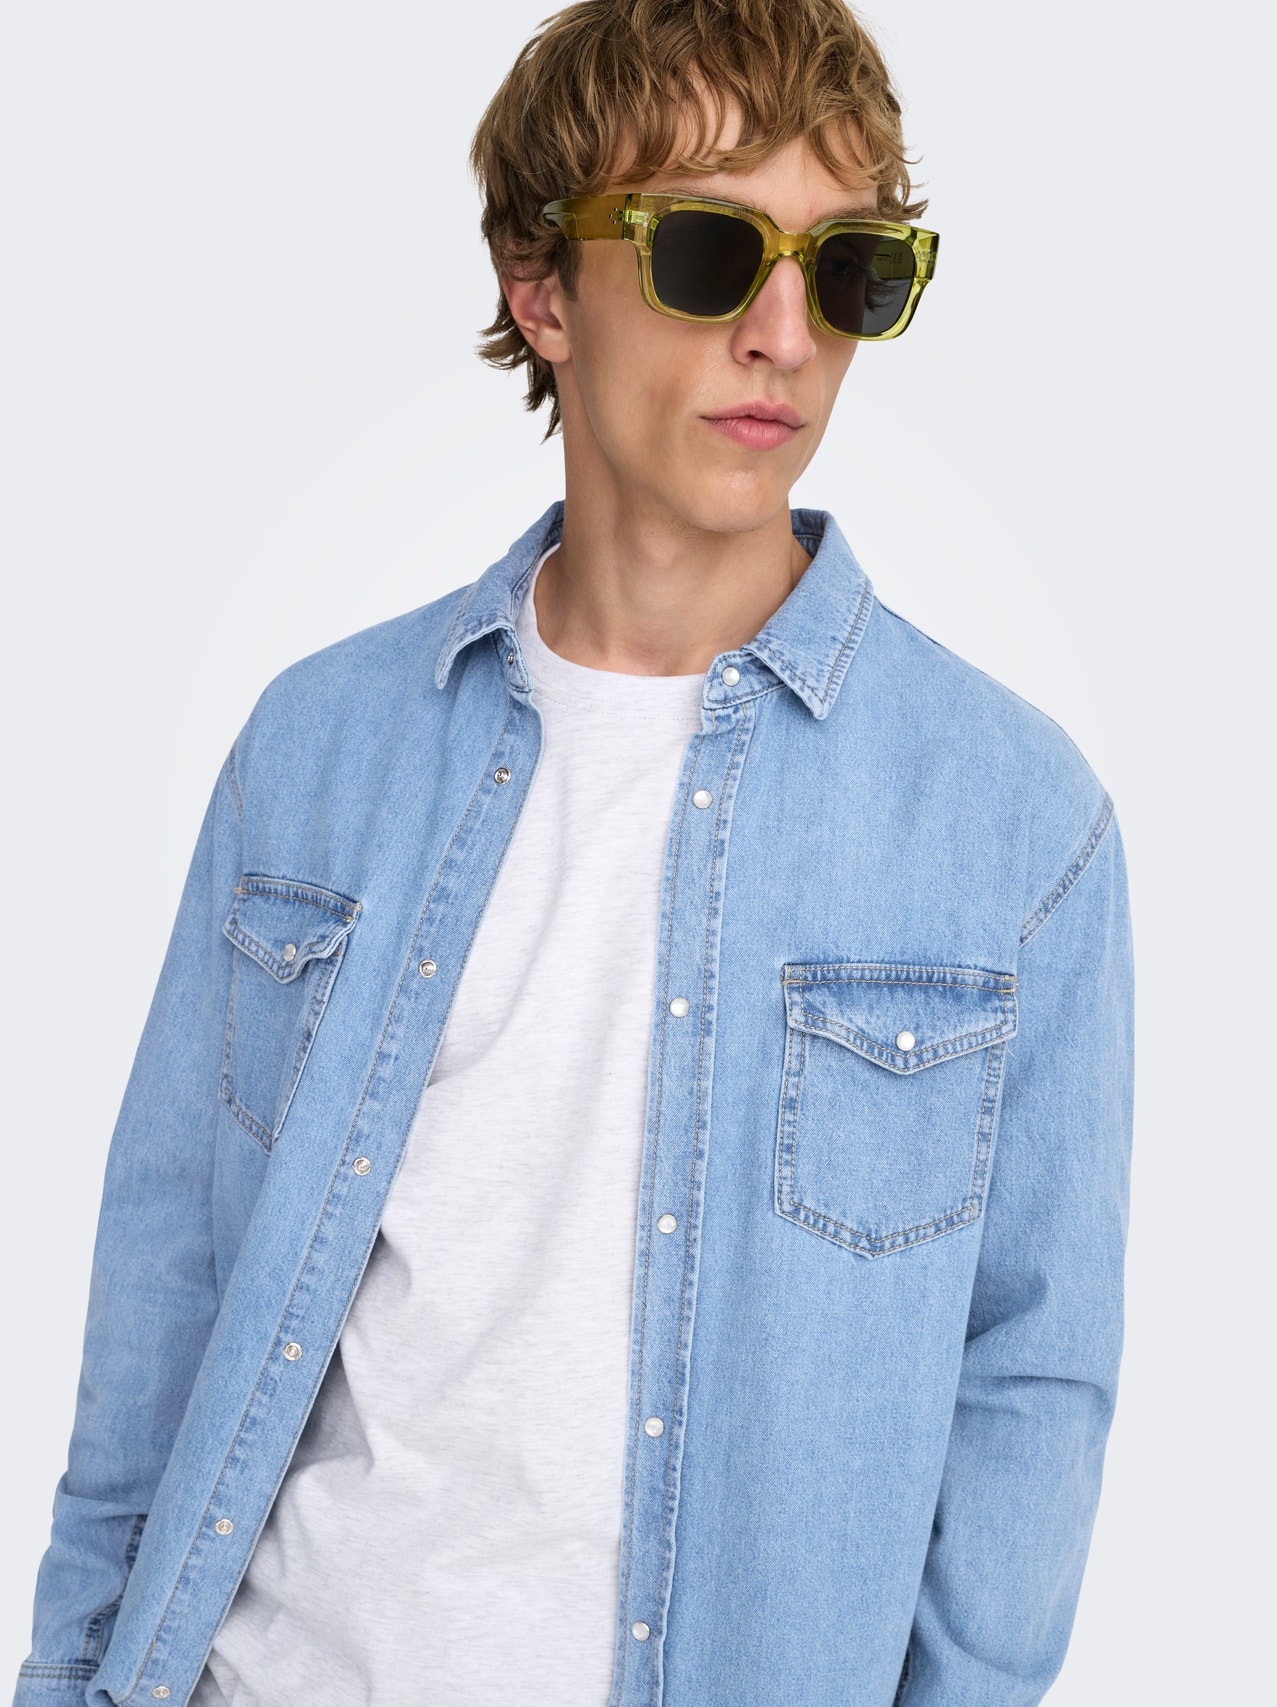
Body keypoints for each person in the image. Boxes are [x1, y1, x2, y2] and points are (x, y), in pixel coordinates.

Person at [14, 2, 1133, 1704]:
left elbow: (1031, 1391)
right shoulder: (315, 754)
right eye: (708, 251)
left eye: (847, 271)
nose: (783, 337)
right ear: (542, 288)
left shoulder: (1014, 824)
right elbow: (164, 1296)